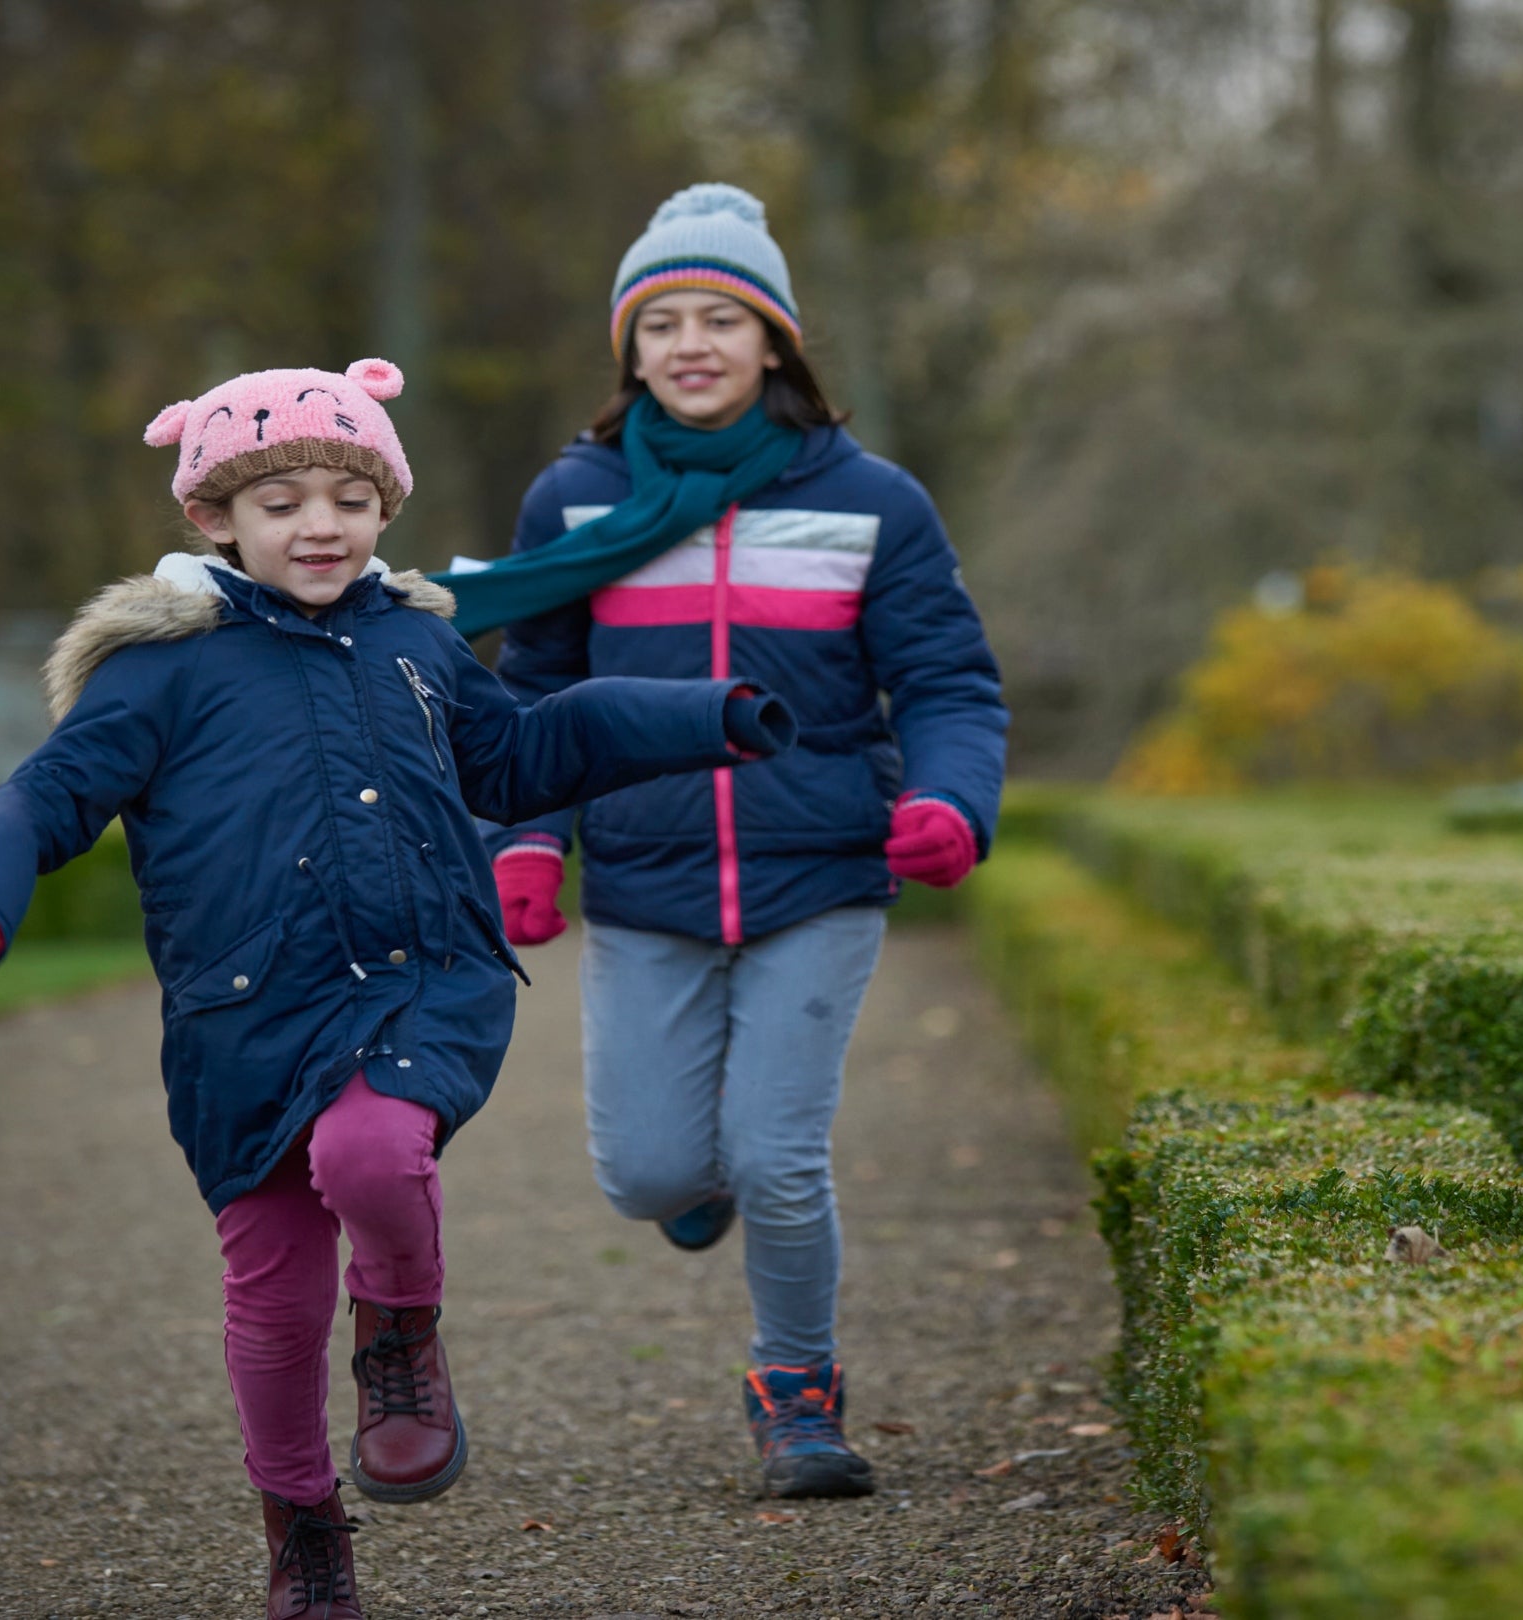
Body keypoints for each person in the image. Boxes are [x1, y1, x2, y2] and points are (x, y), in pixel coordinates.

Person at [0, 357, 797, 1620]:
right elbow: (45, 797)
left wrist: (710, 713)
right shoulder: (157, 673)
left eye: (349, 496)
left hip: (417, 983)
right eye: (281, 503)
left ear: (385, 507)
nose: (320, 524)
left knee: (374, 1157)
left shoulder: (416, 641)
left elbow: (523, 749)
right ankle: (302, 1523)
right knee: (269, 1296)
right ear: (214, 519)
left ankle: (400, 1336)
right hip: (243, 1016)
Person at [447, 183, 1008, 1500]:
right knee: (647, 1171)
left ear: (777, 345)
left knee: (778, 1154)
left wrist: (948, 803)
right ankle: (693, 1187)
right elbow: (528, 693)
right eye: (662, 323)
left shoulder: (874, 501)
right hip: (645, 885)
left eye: (722, 318)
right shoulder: (574, 505)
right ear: (629, 351)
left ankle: (797, 1392)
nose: (691, 344)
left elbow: (947, 685)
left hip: (822, 877)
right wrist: (521, 842)